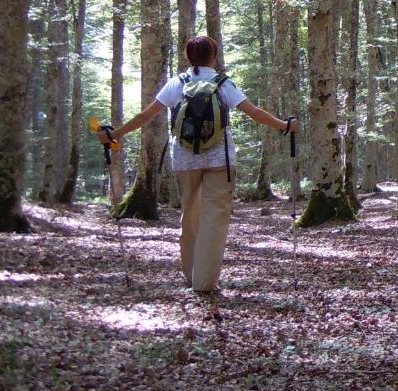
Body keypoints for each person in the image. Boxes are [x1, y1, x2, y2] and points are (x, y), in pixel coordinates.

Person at [96, 34, 296, 296]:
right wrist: (285, 126)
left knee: (190, 216)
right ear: (214, 55)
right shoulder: (223, 83)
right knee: (214, 218)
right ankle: (204, 282)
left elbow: (146, 115)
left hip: (184, 160)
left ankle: (191, 277)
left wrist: (116, 134)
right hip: (220, 160)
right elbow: (254, 112)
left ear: (188, 57)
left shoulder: (177, 83)